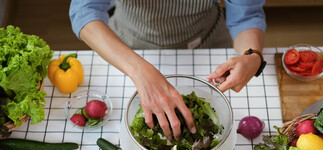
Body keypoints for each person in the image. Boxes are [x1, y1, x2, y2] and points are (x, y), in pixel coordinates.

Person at [69, 0, 266, 141]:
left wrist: (252, 55)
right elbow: (85, 10)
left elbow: (245, 16)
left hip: (207, 43)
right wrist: (138, 70)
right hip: (126, 48)